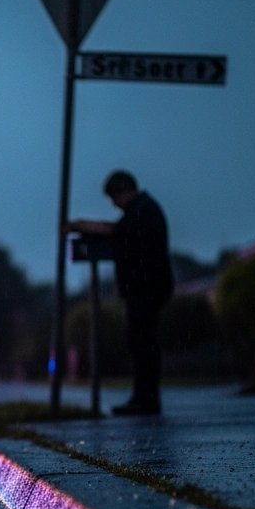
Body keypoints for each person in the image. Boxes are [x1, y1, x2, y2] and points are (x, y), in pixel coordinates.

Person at [69, 170, 174, 415]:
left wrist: (80, 225)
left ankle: (145, 399)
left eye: (114, 197)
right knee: (141, 342)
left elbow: (115, 231)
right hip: (146, 288)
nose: (114, 204)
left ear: (123, 191)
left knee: (143, 343)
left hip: (146, 288)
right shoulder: (143, 210)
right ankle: (144, 397)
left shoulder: (143, 211)